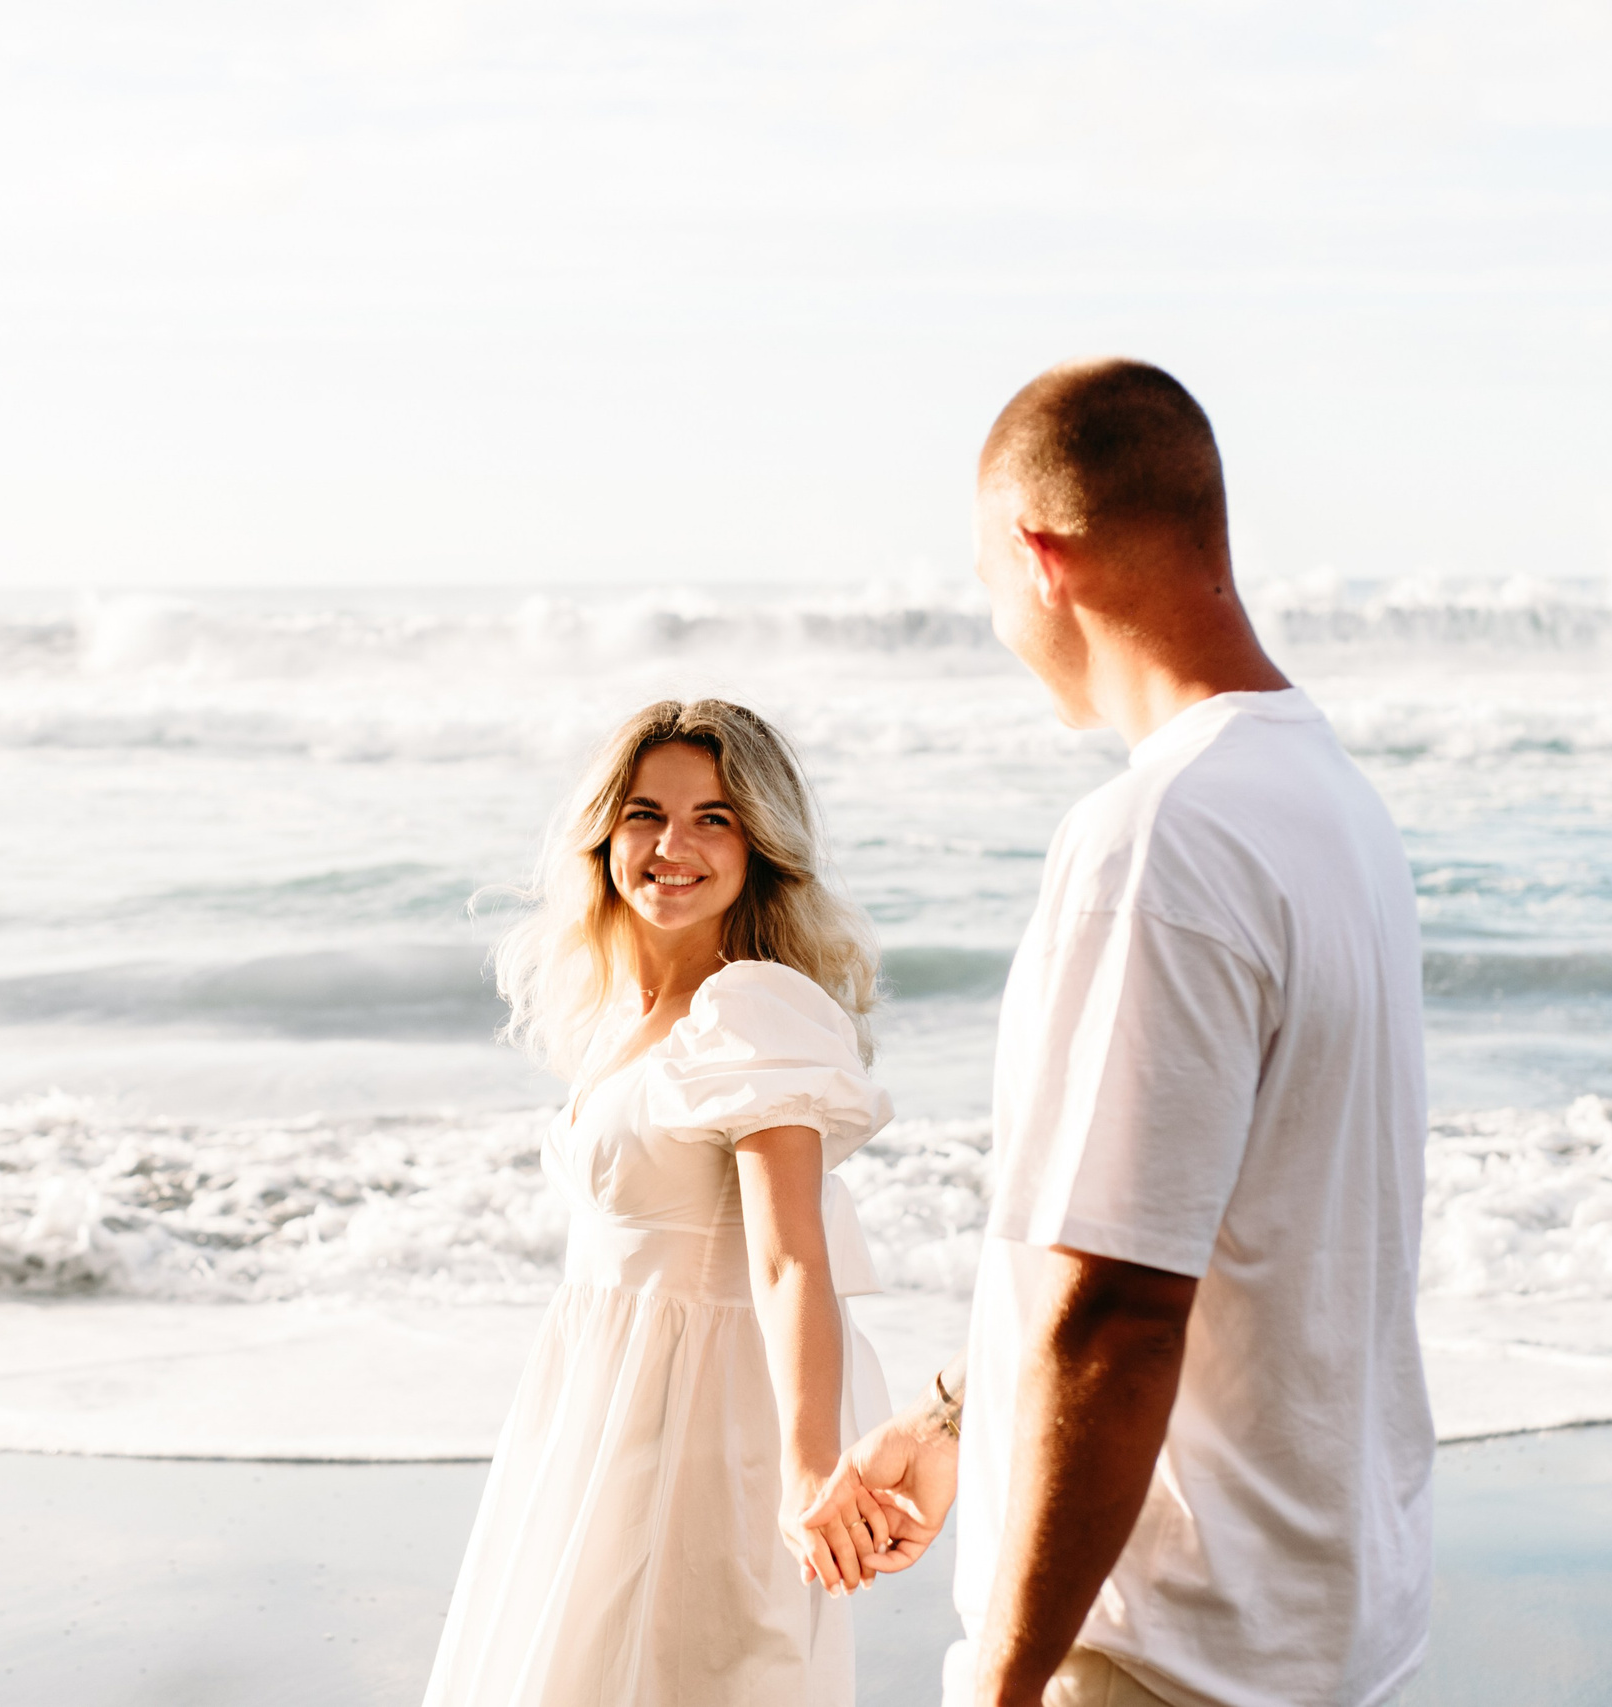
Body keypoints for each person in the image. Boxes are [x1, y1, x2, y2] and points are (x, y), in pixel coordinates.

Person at [806, 359, 1435, 1707]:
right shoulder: (1333, 802)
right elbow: (1195, 1221)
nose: (996, 621)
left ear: (1040, 557)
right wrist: (956, 1416)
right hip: (1324, 1627)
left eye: (984, 583)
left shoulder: (1158, 839)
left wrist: (1007, 1678)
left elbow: (1120, 1313)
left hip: (1164, 1649)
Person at [422, 698, 900, 1707]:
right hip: (599, 1402)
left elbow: (790, 1258)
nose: (671, 845)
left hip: (702, 1418)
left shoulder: (751, 1007)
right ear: (603, 835)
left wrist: (813, 1462)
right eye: (644, 813)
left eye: (713, 817)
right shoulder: (623, 1019)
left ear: (758, 843)